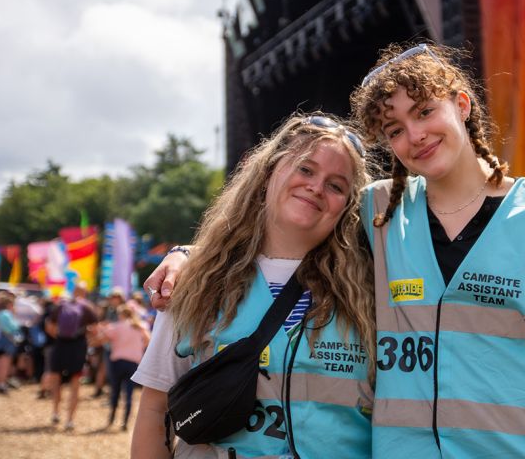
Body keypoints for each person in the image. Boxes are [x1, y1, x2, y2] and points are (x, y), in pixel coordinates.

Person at [147, 44, 525, 457]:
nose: (414, 136)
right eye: (393, 129)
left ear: (461, 104)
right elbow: (288, 225)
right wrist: (190, 256)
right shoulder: (378, 213)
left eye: (423, 112)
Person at [131, 112, 375, 459]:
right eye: (305, 169)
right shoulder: (198, 281)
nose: (317, 187)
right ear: (267, 173)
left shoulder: (371, 292)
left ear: (347, 208)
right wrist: (187, 255)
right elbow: (156, 411)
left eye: (336, 185)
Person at [46, 282, 98, 430]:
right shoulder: (87, 307)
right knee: (75, 384)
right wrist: (85, 339)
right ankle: (70, 420)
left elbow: (49, 326)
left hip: (60, 344)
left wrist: (58, 337)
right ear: (85, 292)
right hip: (78, 346)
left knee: (56, 380)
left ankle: (55, 412)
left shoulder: (62, 304)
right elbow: (95, 329)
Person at [101, 304, 150, 430]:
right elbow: (148, 341)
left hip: (117, 361)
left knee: (115, 391)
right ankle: (125, 422)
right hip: (133, 363)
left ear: (121, 314)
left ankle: (111, 418)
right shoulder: (141, 327)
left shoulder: (116, 326)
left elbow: (104, 338)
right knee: (129, 393)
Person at [0, 291, 22, 394]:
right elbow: (13, 328)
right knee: (4, 364)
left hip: (0, 341)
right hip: (5, 342)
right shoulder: (6, 314)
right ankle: (1, 384)